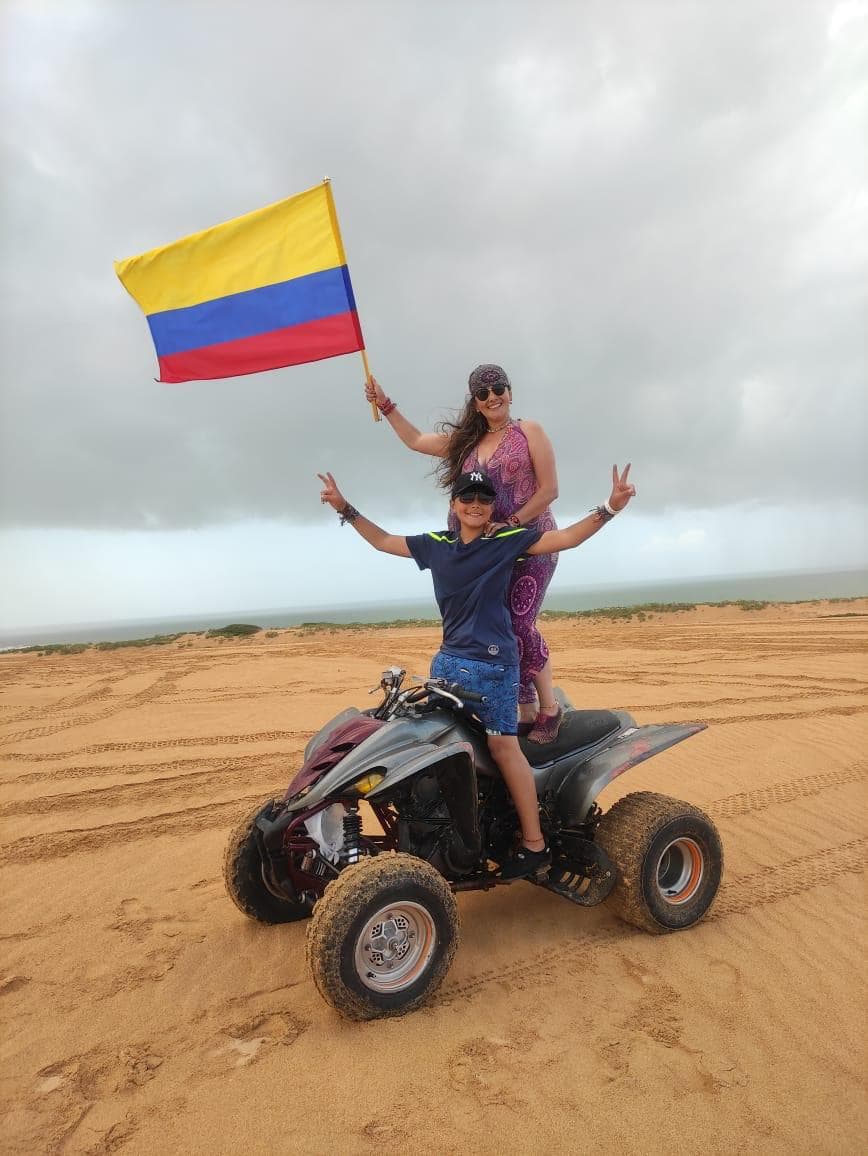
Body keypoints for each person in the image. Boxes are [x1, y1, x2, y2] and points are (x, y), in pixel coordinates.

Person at [317, 462, 637, 880]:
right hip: (447, 663)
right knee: (433, 741)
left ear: (492, 507)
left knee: (502, 747)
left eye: (484, 498)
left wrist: (609, 508)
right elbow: (382, 541)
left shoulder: (506, 540)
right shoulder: (436, 544)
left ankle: (534, 843)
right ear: (454, 504)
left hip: (494, 666)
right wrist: (345, 508)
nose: (475, 504)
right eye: (467, 497)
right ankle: (442, 828)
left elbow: (566, 538)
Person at [365, 365, 563, 743]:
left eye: (498, 388)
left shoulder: (529, 431)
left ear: (509, 390)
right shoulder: (466, 443)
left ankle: (549, 708)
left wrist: (512, 522)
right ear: (474, 402)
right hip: (478, 550)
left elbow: (549, 490)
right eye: (483, 393)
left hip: (529, 542)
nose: (493, 397)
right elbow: (415, 441)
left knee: (520, 624)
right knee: (498, 626)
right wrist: (385, 404)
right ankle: (523, 709)